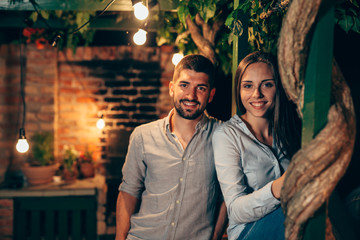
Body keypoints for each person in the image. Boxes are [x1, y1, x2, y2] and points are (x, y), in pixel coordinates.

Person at [116, 54, 228, 240]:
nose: (191, 96)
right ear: (171, 88)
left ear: (211, 94)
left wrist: (215, 236)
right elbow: (128, 193)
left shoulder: (224, 136)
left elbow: (228, 195)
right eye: (184, 85)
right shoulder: (142, 136)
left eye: (201, 88)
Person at [212, 51, 301, 240]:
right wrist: (277, 188)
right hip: (248, 232)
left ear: (279, 87)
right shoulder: (227, 135)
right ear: (239, 89)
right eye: (248, 86)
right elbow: (235, 210)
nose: (257, 94)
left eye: (267, 84)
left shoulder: (289, 130)